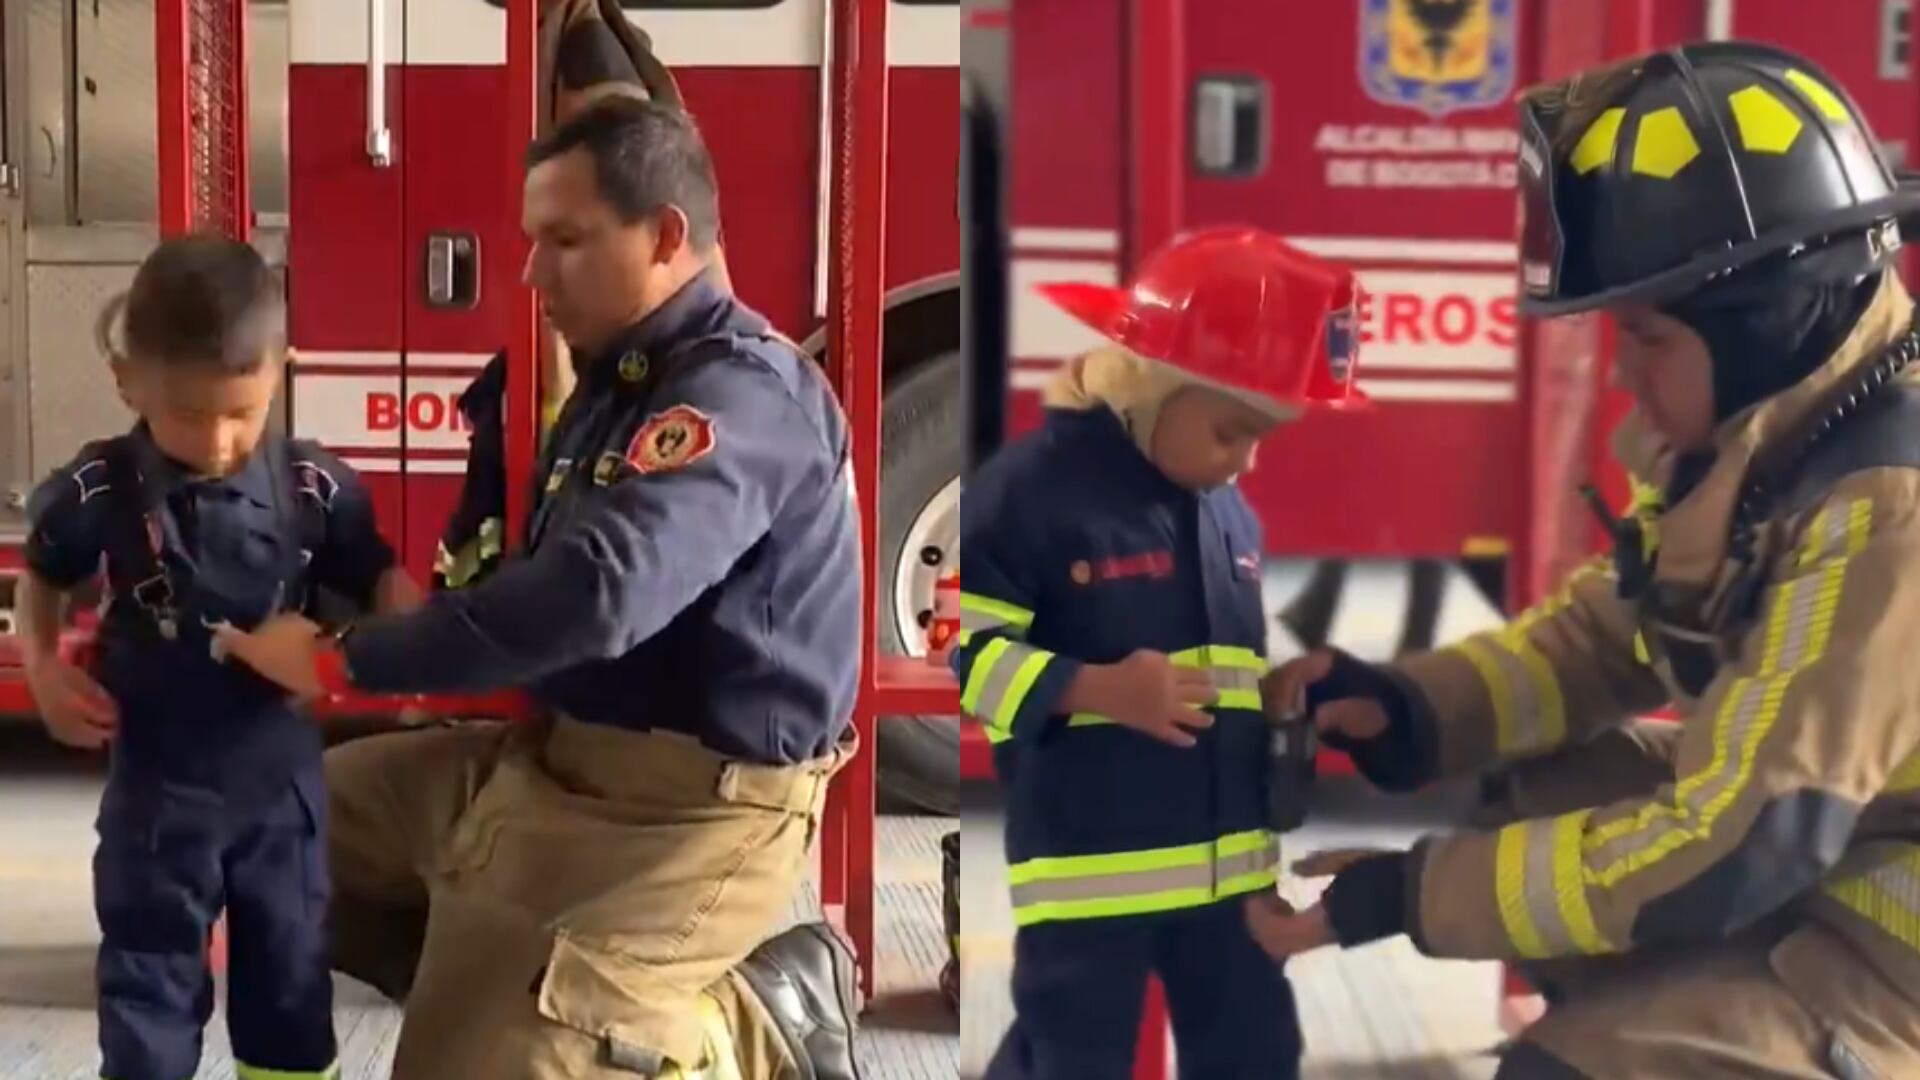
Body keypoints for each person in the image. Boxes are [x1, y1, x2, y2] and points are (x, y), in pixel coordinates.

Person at [1251, 43, 1920, 1079]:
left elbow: (1743, 841)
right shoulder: (1779, 432)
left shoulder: (1888, 509)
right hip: (1834, 848)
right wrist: (1410, 707)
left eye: (1648, 340)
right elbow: (1606, 640)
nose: (1624, 374)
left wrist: (1405, 896)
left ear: (1762, 321)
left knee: (1565, 1073)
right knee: (1532, 780)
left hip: (1890, 946)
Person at [216, 97, 862, 1080]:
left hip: (693, 815)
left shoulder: (740, 396)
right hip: (552, 763)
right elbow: (521, 579)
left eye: (566, 239)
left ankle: (742, 1022)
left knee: (484, 1064)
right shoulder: (616, 380)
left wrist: (347, 659)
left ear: (668, 237)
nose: (530, 271)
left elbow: (603, 592)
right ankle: (497, 987)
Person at [958, 226, 1366, 1080]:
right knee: (1070, 1057)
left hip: (1231, 878)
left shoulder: (1227, 515)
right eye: (1231, 431)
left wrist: (1272, 690)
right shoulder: (1025, 495)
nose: (1244, 461)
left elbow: (1221, 673)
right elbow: (971, 659)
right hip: (1091, 879)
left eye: (1260, 439)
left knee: (1257, 1056)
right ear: (1153, 385)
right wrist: (1093, 688)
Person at [15, 235, 420, 1080]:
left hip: (284, 799)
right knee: (148, 991)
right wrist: (46, 667)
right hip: (158, 797)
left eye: (243, 410)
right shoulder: (98, 490)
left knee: (290, 988)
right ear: (128, 381)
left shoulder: (317, 489)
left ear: (284, 370)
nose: (220, 438)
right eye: (189, 414)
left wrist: (402, 640)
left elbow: (380, 577)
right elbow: (43, 580)